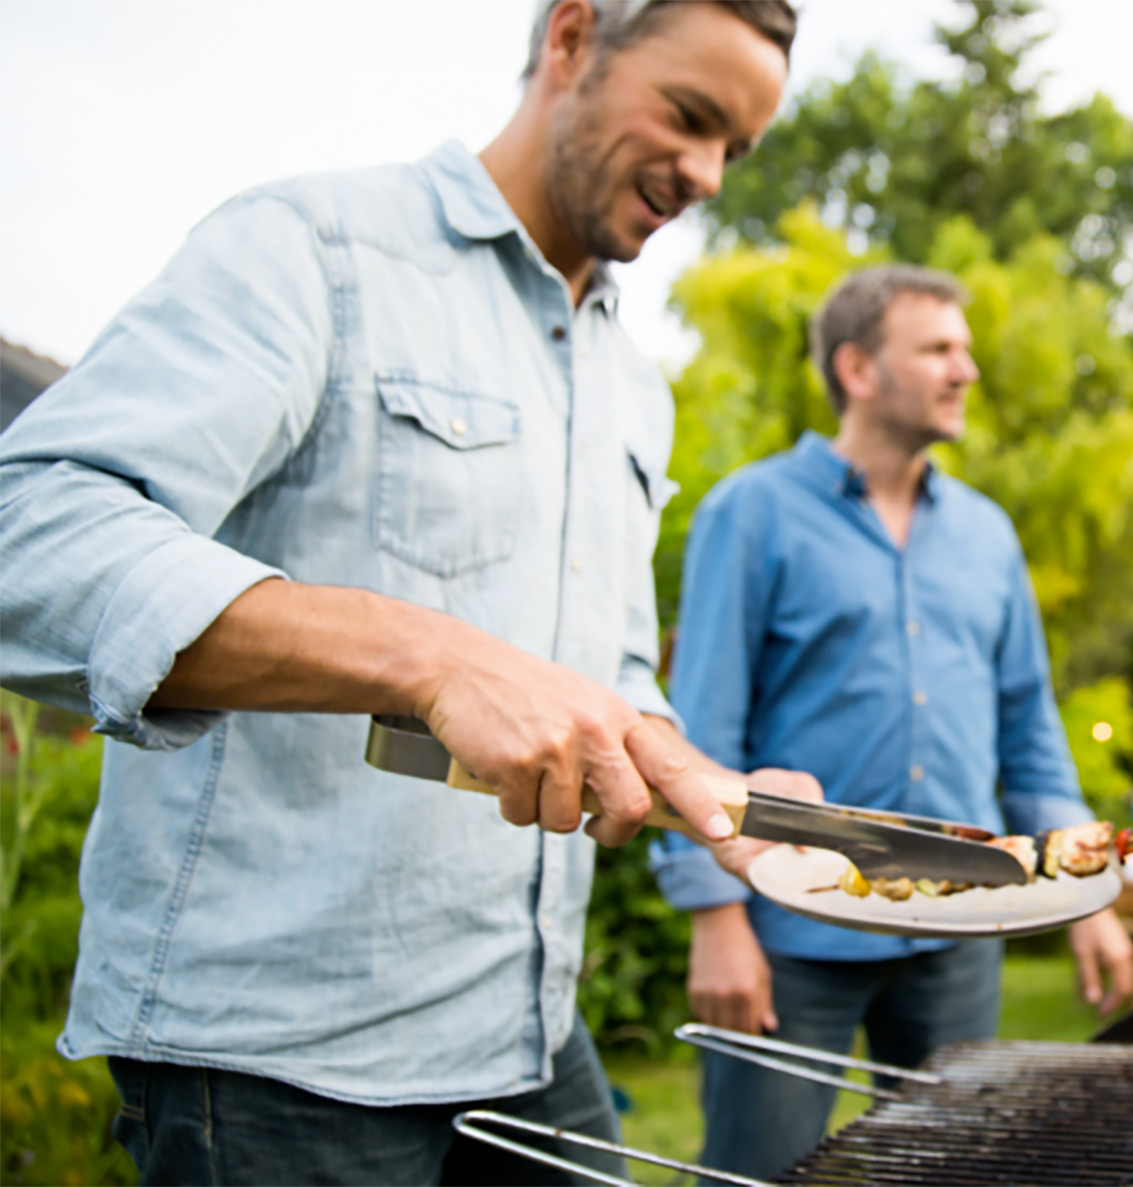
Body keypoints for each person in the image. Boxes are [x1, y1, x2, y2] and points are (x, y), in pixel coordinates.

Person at [0, 3, 815, 1182]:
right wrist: (425, 654)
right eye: (691, 118)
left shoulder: (635, 387)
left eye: (734, 149)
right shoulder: (316, 246)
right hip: (280, 1059)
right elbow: (31, 528)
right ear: (573, 38)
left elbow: (608, 674)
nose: (705, 174)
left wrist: (708, 790)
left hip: (524, 1029)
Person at [652, 265, 1133, 1182]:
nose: (968, 369)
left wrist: (1091, 888)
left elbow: (1029, 726)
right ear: (860, 369)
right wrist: (713, 916)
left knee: (952, 1172)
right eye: (939, 348)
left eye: (965, 347)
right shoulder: (751, 513)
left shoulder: (988, 533)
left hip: (961, 924)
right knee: (758, 1170)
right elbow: (702, 727)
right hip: (793, 927)